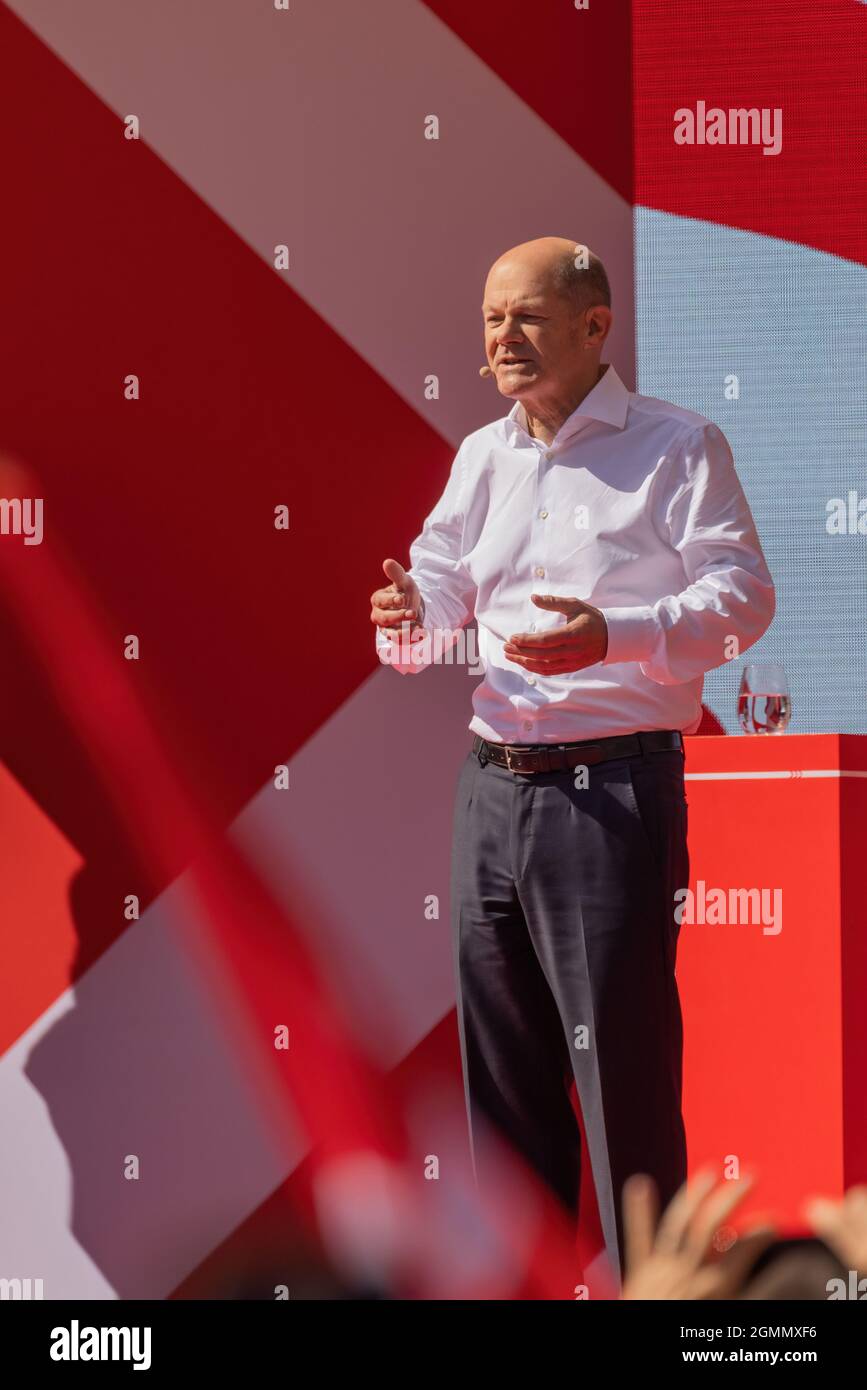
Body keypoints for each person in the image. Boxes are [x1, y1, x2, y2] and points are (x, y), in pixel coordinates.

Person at [369, 236, 775, 1285]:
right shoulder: (481, 457)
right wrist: (410, 616)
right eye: (492, 317)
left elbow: (744, 602)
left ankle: (667, 1301)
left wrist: (619, 634)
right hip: (491, 787)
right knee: (500, 1095)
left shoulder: (679, 447)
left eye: (526, 317)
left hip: (611, 793)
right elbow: (432, 607)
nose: (501, 337)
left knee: (623, 1089)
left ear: (595, 327)